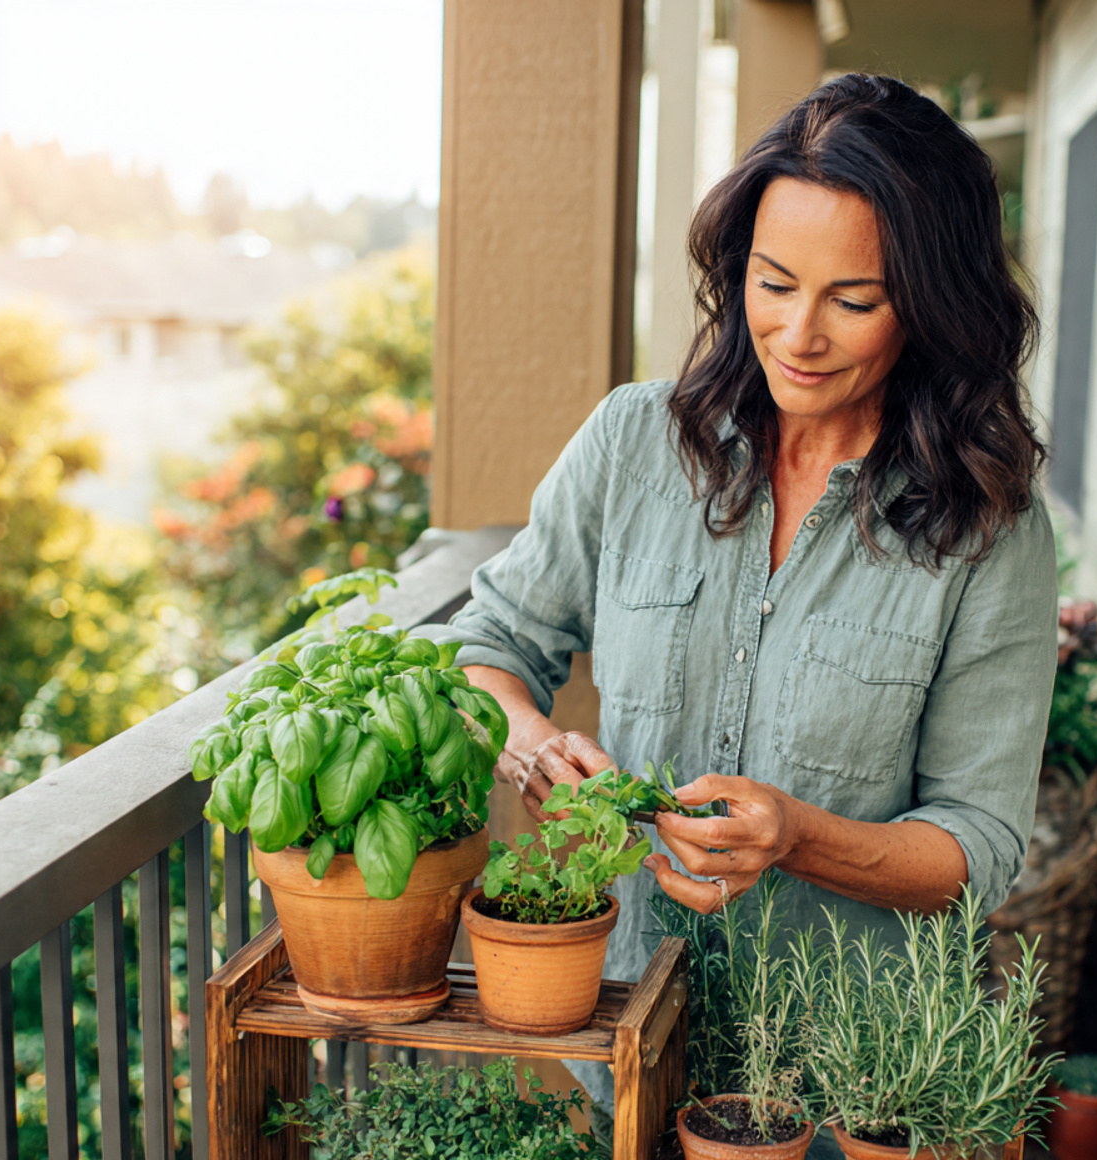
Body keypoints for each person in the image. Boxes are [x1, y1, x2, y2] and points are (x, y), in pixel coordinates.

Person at [430, 72, 1057, 989]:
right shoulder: (635, 442)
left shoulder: (987, 523)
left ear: (930, 307)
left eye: (853, 301)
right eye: (774, 283)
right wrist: (529, 743)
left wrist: (798, 837)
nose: (797, 334)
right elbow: (492, 641)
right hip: (622, 1027)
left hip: (844, 1086)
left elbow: (978, 840)